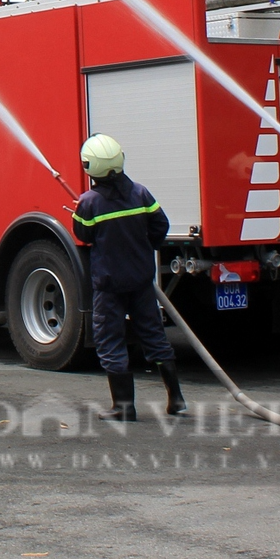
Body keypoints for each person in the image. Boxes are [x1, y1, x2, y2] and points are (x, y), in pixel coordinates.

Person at [69, 134, 186, 422]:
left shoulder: (89, 202)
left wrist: (77, 212)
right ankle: (177, 400)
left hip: (109, 286)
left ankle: (123, 407)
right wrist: (145, 247)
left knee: (110, 340)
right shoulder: (141, 193)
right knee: (154, 336)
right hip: (141, 280)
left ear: (89, 166)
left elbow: (83, 235)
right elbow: (161, 225)